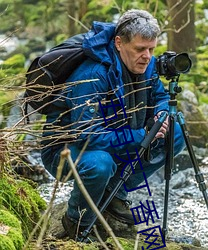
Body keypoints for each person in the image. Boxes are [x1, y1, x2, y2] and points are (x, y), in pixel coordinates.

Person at [41, 9, 185, 241]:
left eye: (152, 49)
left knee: (175, 132)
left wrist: (161, 114)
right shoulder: (92, 75)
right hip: (67, 150)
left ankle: (114, 191)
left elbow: (159, 96)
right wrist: (141, 135)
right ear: (119, 43)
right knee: (100, 164)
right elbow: (87, 136)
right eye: (140, 49)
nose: (147, 56)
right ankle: (76, 222)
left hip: (116, 136)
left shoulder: (145, 64)